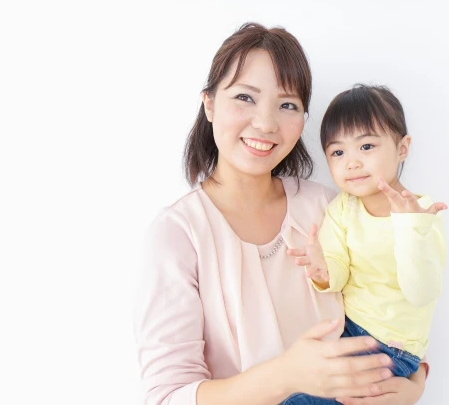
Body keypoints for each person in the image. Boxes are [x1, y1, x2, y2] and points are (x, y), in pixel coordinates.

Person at [134, 23, 428, 405]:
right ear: (209, 104)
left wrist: (413, 384)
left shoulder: (330, 207)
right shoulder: (178, 233)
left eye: (287, 105)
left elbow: (392, 306)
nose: (266, 123)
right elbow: (168, 396)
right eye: (245, 97)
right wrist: (286, 375)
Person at [282, 85, 447, 405]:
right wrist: (323, 269)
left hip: (391, 347)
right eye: (338, 153)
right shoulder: (343, 208)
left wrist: (412, 230)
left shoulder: (421, 215)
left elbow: (422, 293)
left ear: (402, 148)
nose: (352, 163)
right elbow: (338, 269)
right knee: (294, 391)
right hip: (348, 332)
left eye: (366, 146)